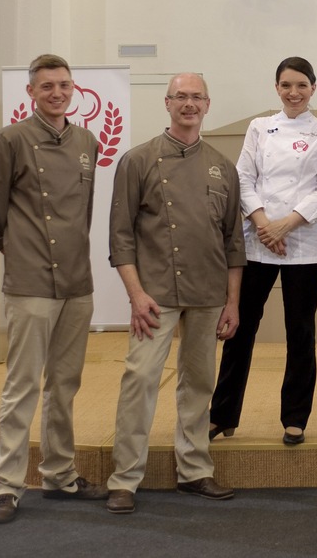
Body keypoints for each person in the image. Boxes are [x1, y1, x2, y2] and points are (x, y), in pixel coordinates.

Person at [104, 73, 246, 515]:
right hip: (155, 295)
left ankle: (195, 471)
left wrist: (232, 301)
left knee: (199, 384)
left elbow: (233, 242)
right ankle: (125, 479)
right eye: (180, 97)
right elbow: (121, 237)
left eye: (196, 97)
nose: (189, 104)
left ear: (207, 105)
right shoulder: (138, 160)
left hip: (208, 294)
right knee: (140, 381)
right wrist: (135, 295)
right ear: (167, 103)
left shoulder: (223, 165)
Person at [0, 53, 108, 524]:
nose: (56, 93)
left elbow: (83, 211)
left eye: (64, 85)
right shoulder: (12, 139)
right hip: (31, 279)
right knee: (21, 386)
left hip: (77, 281)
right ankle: (6, 487)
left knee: (65, 384)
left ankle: (60, 475)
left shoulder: (87, 141)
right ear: (31, 93)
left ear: (74, 91)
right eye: (47, 86)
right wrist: (7, 250)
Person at [210, 57, 317, 445]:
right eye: (286, 85)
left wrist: (287, 224)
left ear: (313, 88)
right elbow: (243, 178)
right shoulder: (259, 127)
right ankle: (222, 415)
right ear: (277, 88)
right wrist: (266, 224)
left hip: (305, 246)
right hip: (258, 241)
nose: (294, 92)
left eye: (301, 85)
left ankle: (295, 417)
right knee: (240, 328)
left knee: (300, 330)